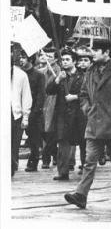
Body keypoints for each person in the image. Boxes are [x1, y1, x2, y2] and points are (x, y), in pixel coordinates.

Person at [64, 39, 111, 209]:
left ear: (106, 53)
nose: (92, 53)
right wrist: (87, 109)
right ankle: (81, 195)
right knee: (89, 161)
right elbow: (83, 94)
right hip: (94, 124)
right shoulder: (90, 71)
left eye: (96, 50)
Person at [46, 49, 86, 181]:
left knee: (83, 142)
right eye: (63, 60)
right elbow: (49, 90)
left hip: (79, 114)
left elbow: (89, 94)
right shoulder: (60, 76)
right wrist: (58, 79)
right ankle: (62, 172)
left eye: (68, 59)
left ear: (74, 61)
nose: (65, 62)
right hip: (63, 114)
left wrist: (75, 97)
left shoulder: (83, 76)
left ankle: (86, 168)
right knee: (63, 142)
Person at [19, 50, 45, 173]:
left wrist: (34, 112)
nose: (21, 60)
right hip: (19, 109)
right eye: (20, 57)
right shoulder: (18, 74)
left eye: (23, 57)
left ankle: (33, 161)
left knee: (34, 138)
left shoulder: (39, 75)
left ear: (30, 59)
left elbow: (41, 95)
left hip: (34, 111)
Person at [11, 49, 32, 177]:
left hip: (15, 115)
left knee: (14, 144)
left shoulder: (21, 75)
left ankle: (11, 167)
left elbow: (26, 97)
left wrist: (25, 117)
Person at [41, 47, 61, 169]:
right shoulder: (41, 72)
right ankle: (51, 154)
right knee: (44, 132)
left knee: (51, 132)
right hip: (43, 105)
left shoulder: (59, 72)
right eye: (45, 55)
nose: (46, 58)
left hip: (54, 104)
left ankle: (48, 157)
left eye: (49, 56)